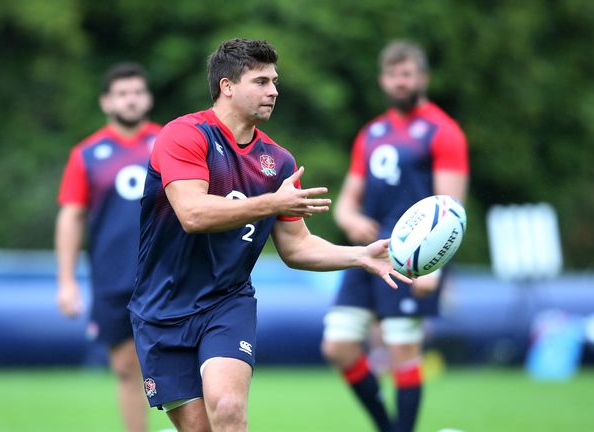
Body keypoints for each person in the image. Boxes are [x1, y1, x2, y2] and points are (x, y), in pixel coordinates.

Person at [127, 38, 413, 432]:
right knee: (198, 428)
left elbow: (297, 247)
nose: (274, 90)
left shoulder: (278, 162)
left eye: (274, 81)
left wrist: (360, 255)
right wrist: (272, 204)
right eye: (261, 81)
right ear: (227, 86)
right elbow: (193, 213)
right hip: (161, 308)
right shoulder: (185, 135)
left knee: (227, 407)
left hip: (226, 303)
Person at [321, 40, 470, 432]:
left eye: (406, 74)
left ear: (422, 77)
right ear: (382, 80)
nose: (399, 82)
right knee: (337, 346)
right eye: (392, 75)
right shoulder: (371, 133)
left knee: (402, 349)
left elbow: (451, 211)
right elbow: (346, 203)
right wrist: (351, 220)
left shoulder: (443, 131)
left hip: (411, 259)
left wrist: (434, 270)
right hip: (367, 254)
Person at [55, 62, 160, 432]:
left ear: (147, 98)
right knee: (126, 367)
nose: (130, 100)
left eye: (136, 92)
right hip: (113, 277)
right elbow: (71, 217)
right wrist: (66, 280)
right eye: (121, 94)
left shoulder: (169, 143)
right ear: (106, 102)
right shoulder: (86, 153)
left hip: (167, 273)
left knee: (183, 362)